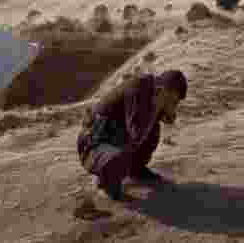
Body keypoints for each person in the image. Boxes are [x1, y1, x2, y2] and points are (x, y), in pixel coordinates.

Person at [76, 69, 188, 201]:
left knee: (153, 129)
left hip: (111, 138)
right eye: (173, 101)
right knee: (123, 153)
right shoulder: (139, 87)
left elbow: (163, 120)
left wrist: (163, 111)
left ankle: (135, 169)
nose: (173, 105)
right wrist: (157, 107)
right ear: (164, 90)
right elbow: (136, 133)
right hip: (92, 146)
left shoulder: (155, 92)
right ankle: (106, 184)